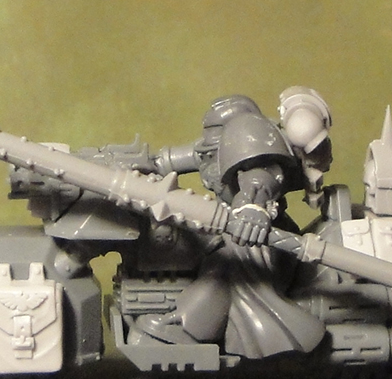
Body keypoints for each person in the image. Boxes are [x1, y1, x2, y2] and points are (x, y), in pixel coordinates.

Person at [135, 87, 335, 359]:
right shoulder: (214, 147)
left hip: (262, 238)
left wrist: (252, 208)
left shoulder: (256, 148)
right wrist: (139, 165)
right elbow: (170, 160)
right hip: (226, 227)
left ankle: (189, 327)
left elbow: (261, 179)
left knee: (227, 266)